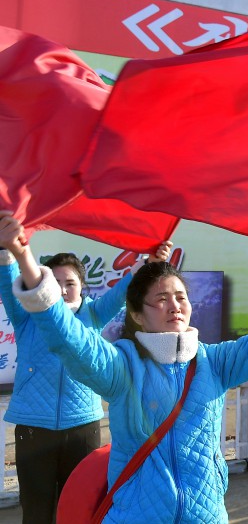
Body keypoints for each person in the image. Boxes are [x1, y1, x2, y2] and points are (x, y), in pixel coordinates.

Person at [0, 213, 248, 522]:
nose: (174, 305)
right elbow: (68, 338)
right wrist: (21, 253)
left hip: (206, 515)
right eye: (161, 298)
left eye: (180, 296)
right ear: (138, 315)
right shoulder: (123, 367)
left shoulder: (215, 362)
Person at [0, 213, 171, 524]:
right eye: (56, 282)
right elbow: (8, 275)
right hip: (33, 428)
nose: (64, 290)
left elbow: (125, 292)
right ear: (43, 284)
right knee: (36, 510)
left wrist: (149, 264)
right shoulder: (26, 316)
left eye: (71, 283)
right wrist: (5, 250)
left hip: (83, 427)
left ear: (83, 287)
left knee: (79, 507)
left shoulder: (94, 314)